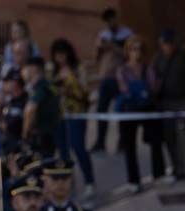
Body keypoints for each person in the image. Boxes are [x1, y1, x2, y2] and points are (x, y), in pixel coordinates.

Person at [115, 35, 164, 191]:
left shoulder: (147, 68)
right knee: (130, 145)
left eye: (139, 49)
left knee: (155, 141)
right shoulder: (122, 70)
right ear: (128, 51)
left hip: (146, 107)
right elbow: (124, 88)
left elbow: (153, 86)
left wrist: (148, 91)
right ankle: (134, 181)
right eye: (133, 49)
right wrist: (138, 92)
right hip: (130, 109)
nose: (136, 52)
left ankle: (159, 174)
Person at [49, 38, 95, 200]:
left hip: (76, 113)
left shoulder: (78, 69)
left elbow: (84, 93)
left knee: (78, 146)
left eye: (63, 54)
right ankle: (68, 183)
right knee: (63, 151)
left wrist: (69, 86)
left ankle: (89, 182)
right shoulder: (52, 71)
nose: (60, 58)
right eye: (57, 55)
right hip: (59, 115)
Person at [152, 29, 185, 177]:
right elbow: (153, 79)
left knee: (182, 134)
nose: (166, 47)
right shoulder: (158, 59)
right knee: (170, 137)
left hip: (183, 101)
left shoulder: (183, 56)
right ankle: (177, 167)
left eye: (168, 44)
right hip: (166, 103)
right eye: (164, 44)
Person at [90, 6, 133, 153]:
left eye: (112, 19)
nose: (110, 23)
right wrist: (99, 47)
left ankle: (123, 142)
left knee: (122, 110)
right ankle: (100, 141)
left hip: (121, 78)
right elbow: (96, 58)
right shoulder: (103, 35)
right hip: (105, 77)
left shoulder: (126, 34)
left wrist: (112, 46)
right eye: (107, 21)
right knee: (101, 110)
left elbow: (128, 54)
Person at [21, 57, 59, 157]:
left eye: (26, 68)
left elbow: (30, 110)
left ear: (33, 69)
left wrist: (25, 133)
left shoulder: (40, 87)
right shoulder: (48, 85)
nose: (24, 72)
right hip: (50, 134)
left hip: (41, 136)